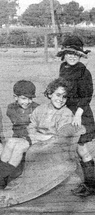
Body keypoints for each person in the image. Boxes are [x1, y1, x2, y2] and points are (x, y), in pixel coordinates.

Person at [56, 35, 95, 197]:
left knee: (82, 149)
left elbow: (87, 95)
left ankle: (92, 185)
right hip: (67, 113)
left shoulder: (83, 72)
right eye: (69, 53)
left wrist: (78, 114)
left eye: (75, 53)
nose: (72, 56)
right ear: (64, 54)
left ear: (80, 55)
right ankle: (88, 182)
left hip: (81, 114)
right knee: (75, 149)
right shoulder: (63, 68)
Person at [3, 80, 40, 183]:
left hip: (32, 137)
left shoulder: (37, 108)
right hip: (18, 136)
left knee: (17, 149)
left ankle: (6, 176)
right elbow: (18, 121)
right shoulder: (11, 108)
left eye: (30, 98)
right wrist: (30, 118)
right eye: (23, 98)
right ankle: (2, 173)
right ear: (15, 97)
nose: (27, 102)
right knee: (9, 145)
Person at [27, 78, 73, 145]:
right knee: (12, 142)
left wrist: (40, 137)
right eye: (58, 95)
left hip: (54, 147)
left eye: (64, 97)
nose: (61, 99)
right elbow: (31, 127)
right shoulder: (40, 109)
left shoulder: (66, 113)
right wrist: (34, 136)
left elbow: (61, 138)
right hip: (36, 142)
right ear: (50, 94)